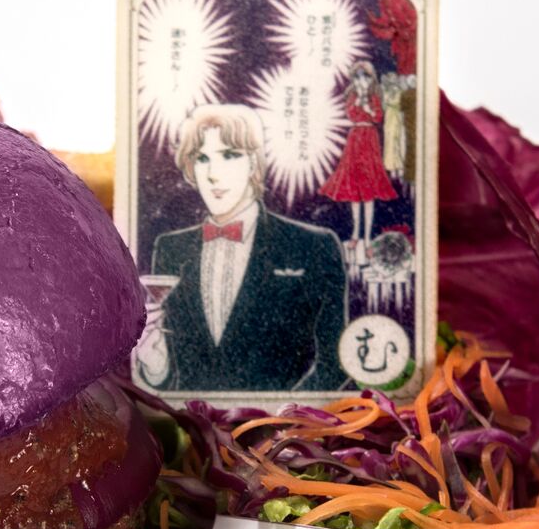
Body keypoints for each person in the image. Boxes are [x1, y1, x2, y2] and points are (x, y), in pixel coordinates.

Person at [134, 103, 348, 395]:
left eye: (230, 155)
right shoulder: (171, 248)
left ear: (254, 163)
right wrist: (156, 368)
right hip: (191, 423)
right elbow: (175, 378)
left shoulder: (313, 245)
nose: (213, 174)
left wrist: (283, 415)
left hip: (287, 422)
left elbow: (335, 364)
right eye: (202, 158)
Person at [318, 60, 398, 265]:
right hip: (356, 138)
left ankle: (368, 238)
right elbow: (351, 115)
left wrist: (368, 107)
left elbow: (378, 117)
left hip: (369, 138)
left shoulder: (374, 97)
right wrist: (358, 102)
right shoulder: (352, 96)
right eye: (357, 77)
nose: (361, 81)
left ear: (371, 79)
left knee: (369, 191)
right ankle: (355, 233)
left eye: (365, 77)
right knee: (354, 189)